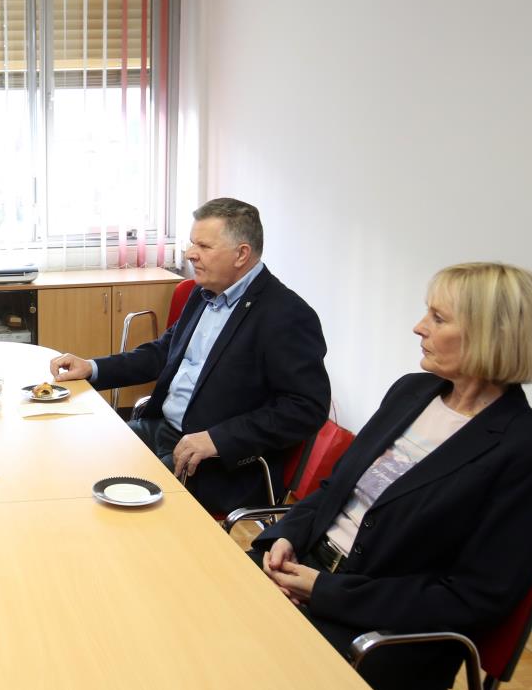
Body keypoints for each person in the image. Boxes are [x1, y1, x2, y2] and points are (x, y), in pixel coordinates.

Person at [252, 262, 532, 690]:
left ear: (491, 336)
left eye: (438, 318)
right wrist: (284, 538)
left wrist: (323, 592)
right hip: (304, 571)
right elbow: (333, 488)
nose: (419, 327)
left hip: (381, 638)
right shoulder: (411, 391)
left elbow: (471, 598)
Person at [49, 197, 329, 516]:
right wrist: (93, 368)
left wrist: (218, 439)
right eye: (192, 243)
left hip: (216, 462)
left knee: (111, 503)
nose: (190, 254)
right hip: (161, 429)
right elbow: (163, 353)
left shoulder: (286, 315)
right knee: (79, 460)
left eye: (204, 246)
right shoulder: (203, 292)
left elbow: (306, 408)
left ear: (241, 254)